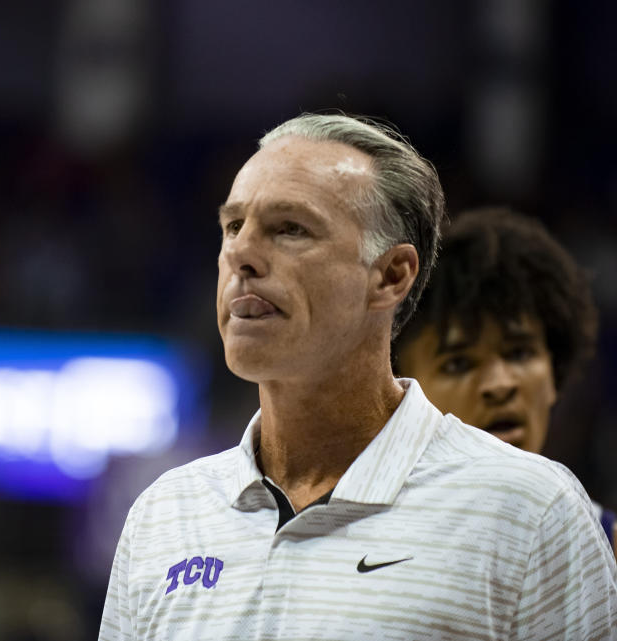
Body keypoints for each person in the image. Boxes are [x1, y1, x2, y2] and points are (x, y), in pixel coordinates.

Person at [98, 113, 617, 640]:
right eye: (233, 226)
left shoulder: (529, 511)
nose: (242, 255)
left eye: (290, 229)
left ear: (391, 276)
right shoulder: (163, 514)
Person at [393, 207, 616, 551]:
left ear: (555, 373)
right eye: (459, 364)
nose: (500, 385)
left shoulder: (608, 549)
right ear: (399, 389)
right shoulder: (362, 550)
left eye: (519, 354)